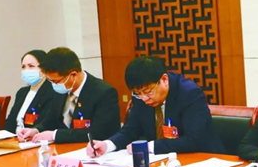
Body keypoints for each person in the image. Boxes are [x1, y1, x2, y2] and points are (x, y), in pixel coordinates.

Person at [87, 56, 225, 156]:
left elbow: (194, 140)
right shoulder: (140, 97)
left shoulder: (189, 93)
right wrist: (107, 145)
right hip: (161, 162)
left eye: (148, 92)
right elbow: (130, 130)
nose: (144, 98)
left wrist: (149, 147)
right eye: (138, 93)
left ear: (164, 80)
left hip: (201, 160)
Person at [17, 47, 120, 144]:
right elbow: (50, 120)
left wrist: (55, 135)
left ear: (73, 75)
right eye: (50, 81)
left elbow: (98, 133)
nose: (53, 85)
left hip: (91, 150)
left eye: (56, 81)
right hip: (62, 149)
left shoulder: (103, 92)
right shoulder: (59, 90)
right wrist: (36, 130)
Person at [4, 50, 54, 134]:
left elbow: (45, 124)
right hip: (14, 138)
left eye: (31, 66)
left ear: (44, 69)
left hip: (33, 138)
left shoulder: (52, 92)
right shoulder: (22, 92)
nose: (26, 70)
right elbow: (10, 122)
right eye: (23, 67)